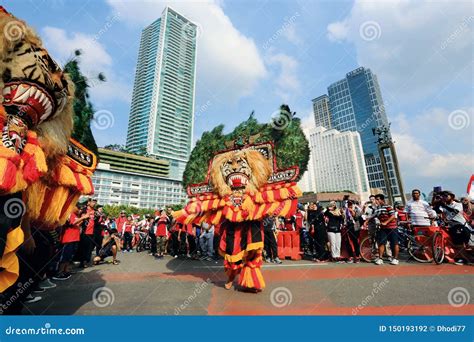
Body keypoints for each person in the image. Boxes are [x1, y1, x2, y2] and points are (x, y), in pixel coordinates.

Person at [54, 203, 89, 280]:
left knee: (69, 256)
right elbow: (72, 223)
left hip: (74, 239)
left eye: (81, 209)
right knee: (64, 257)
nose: (80, 210)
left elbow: (76, 225)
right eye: (79, 208)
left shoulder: (76, 216)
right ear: (74, 206)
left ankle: (66, 270)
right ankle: (59, 272)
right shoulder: (69, 214)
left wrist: (82, 220)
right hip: (68, 239)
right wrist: (83, 217)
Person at [374, 194, 399, 265]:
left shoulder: (388, 206)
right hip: (383, 228)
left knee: (394, 243)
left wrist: (386, 222)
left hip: (392, 228)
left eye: (378, 199)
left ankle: (395, 258)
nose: (376, 201)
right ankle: (380, 258)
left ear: (382, 200)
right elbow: (375, 216)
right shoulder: (377, 208)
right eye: (376, 199)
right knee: (381, 243)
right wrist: (367, 221)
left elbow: (393, 216)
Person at [78, 198, 97, 268]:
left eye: (95, 202)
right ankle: (82, 262)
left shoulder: (95, 211)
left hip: (92, 232)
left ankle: (86, 260)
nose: (94, 203)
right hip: (85, 232)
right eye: (93, 202)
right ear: (88, 202)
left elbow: (96, 221)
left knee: (90, 248)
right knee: (83, 247)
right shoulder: (84, 210)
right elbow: (81, 219)